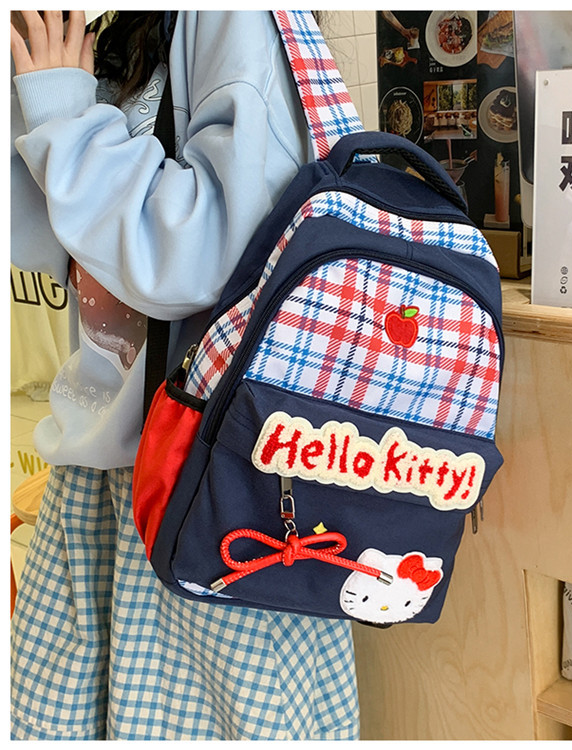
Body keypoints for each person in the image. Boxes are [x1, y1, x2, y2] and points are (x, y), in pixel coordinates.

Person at [10, 10, 359, 741]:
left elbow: (206, 255)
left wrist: (65, 118)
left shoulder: (233, 18)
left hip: (206, 487)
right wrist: (43, 101)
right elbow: (53, 242)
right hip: (110, 475)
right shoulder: (131, 26)